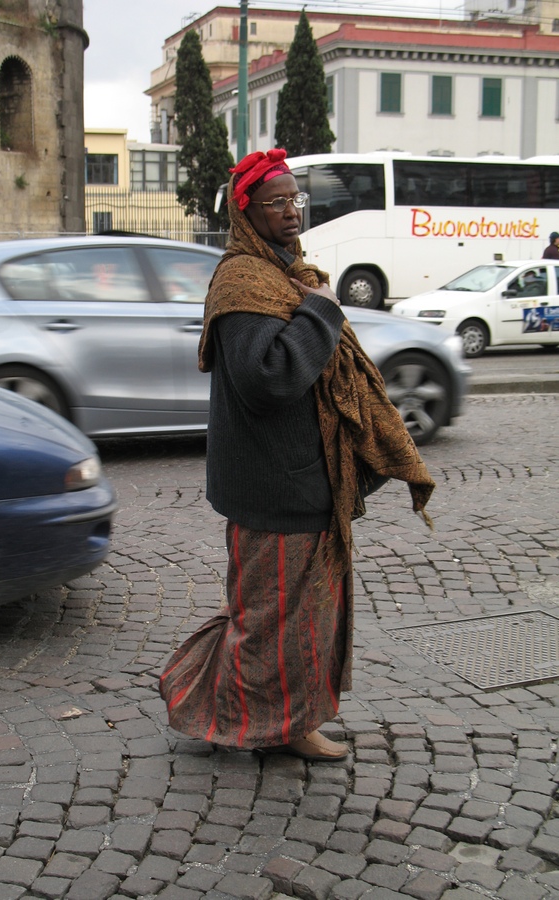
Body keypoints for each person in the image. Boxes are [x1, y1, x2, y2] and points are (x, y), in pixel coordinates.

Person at [159, 148, 435, 762]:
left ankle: (286, 724)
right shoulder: (244, 280)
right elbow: (270, 379)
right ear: (246, 211)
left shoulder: (287, 271)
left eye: (295, 200)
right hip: (274, 486)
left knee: (302, 615)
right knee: (269, 619)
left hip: (305, 479)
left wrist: (311, 299)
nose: (290, 212)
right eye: (276, 202)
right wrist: (322, 308)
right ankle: (212, 708)